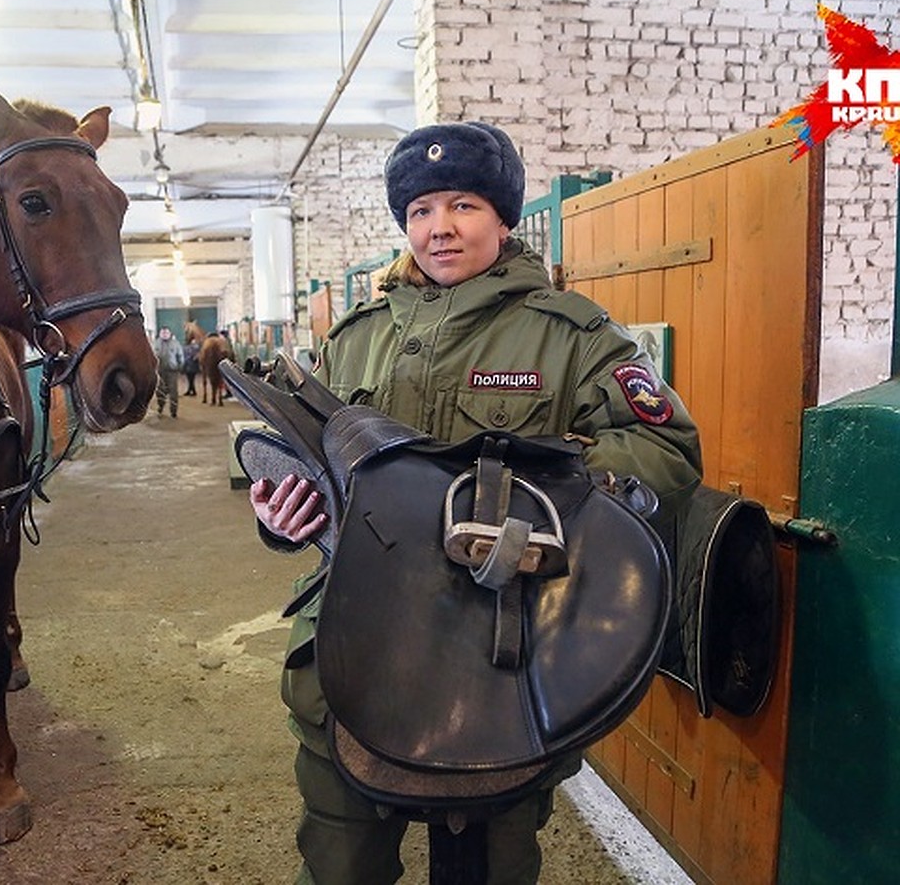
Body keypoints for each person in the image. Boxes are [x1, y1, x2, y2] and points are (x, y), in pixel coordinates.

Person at [247, 122, 703, 885]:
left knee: (490, 866)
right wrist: (280, 515)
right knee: (337, 863)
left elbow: (667, 450)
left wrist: (538, 499)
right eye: (421, 210)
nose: (440, 228)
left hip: (498, 644)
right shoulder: (356, 340)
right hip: (352, 637)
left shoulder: (570, 335)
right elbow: (313, 463)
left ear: (502, 218)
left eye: (463, 205)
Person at [153, 325, 184, 417]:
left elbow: (180, 356)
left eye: (166, 333)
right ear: (160, 334)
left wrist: (180, 367)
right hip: (160, 372)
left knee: (173, 392)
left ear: (170, 333)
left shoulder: (176, 344)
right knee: (160, 391)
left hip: (172, 371)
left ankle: (173, 411)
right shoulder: (155, 344)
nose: (165, 334)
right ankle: (160, 406)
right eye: (163, 333)